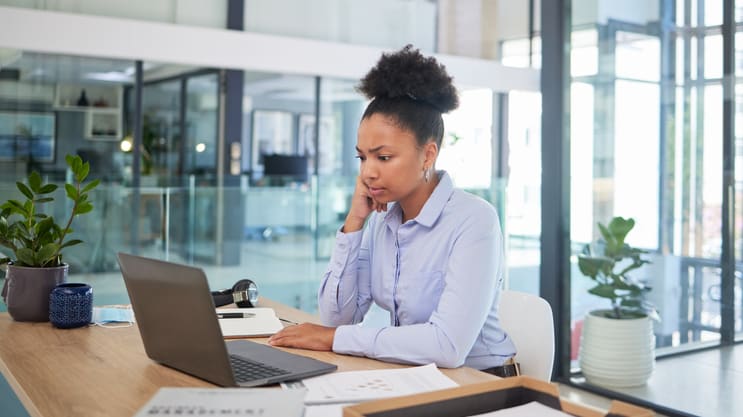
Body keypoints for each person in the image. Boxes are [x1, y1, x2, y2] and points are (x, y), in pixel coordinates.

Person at [269, 45, 517, 374]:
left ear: (428, 156)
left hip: (480, 381)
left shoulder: (474, 220)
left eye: (383, 157)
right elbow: (337, 318)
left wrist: (339, 339)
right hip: (414, 375)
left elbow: (448, 346)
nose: (368, 171)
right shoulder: (383, 220)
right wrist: (355, 222)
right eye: (362, 157)